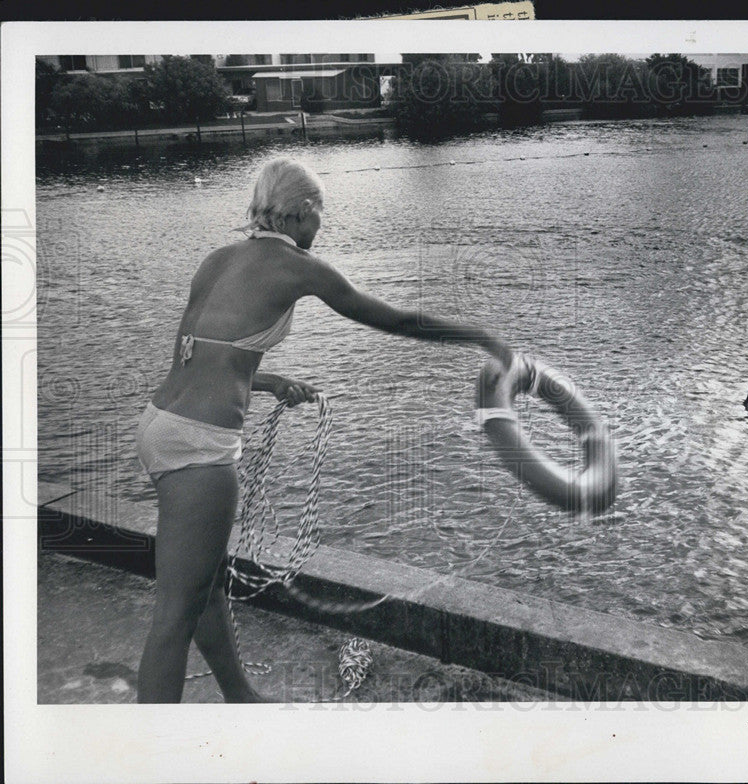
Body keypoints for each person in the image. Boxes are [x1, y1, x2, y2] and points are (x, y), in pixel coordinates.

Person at [135, 157, 512, 702]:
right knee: (173, 614)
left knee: (207, 586)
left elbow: (197, 356)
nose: (319, 230)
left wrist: (265, 381)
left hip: (160, 425)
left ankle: (241, 697)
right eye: (319, 217)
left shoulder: (217, 259)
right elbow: (396, 320)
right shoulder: (301, 268)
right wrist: (479, 336)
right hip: (200, 446)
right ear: (302, 211)